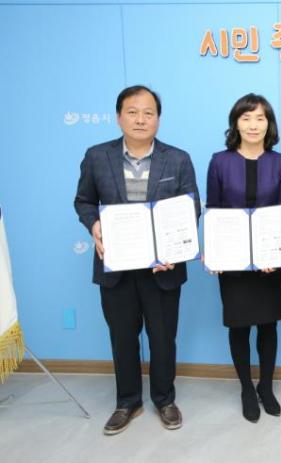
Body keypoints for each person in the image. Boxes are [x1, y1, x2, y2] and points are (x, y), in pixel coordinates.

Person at [74, 85, 200, 435]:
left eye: (148, 113)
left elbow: (191, 207)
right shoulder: (97, 156)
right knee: (122, 337)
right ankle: (127, 401)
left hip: (162, 269)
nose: (140, 119)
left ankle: (164, 399)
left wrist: (174, 251)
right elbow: (84, 201)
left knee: (163, 338)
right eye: (132, 112)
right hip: (116, 267)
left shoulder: (178, 159)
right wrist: (94, 224)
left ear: (158, 118)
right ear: (119, 117)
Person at [206, 94, 281, 423]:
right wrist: (214, 252)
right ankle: (245, 388)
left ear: (269, 124)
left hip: (271, 260)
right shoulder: (219, 162)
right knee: (239, 325)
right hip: (233, 260)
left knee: (268, 324)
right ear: (236, 123)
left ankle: (265, 387)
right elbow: (213, 211)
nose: (253, 125)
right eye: (246, 118)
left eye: (260, 118)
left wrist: (276, 252)